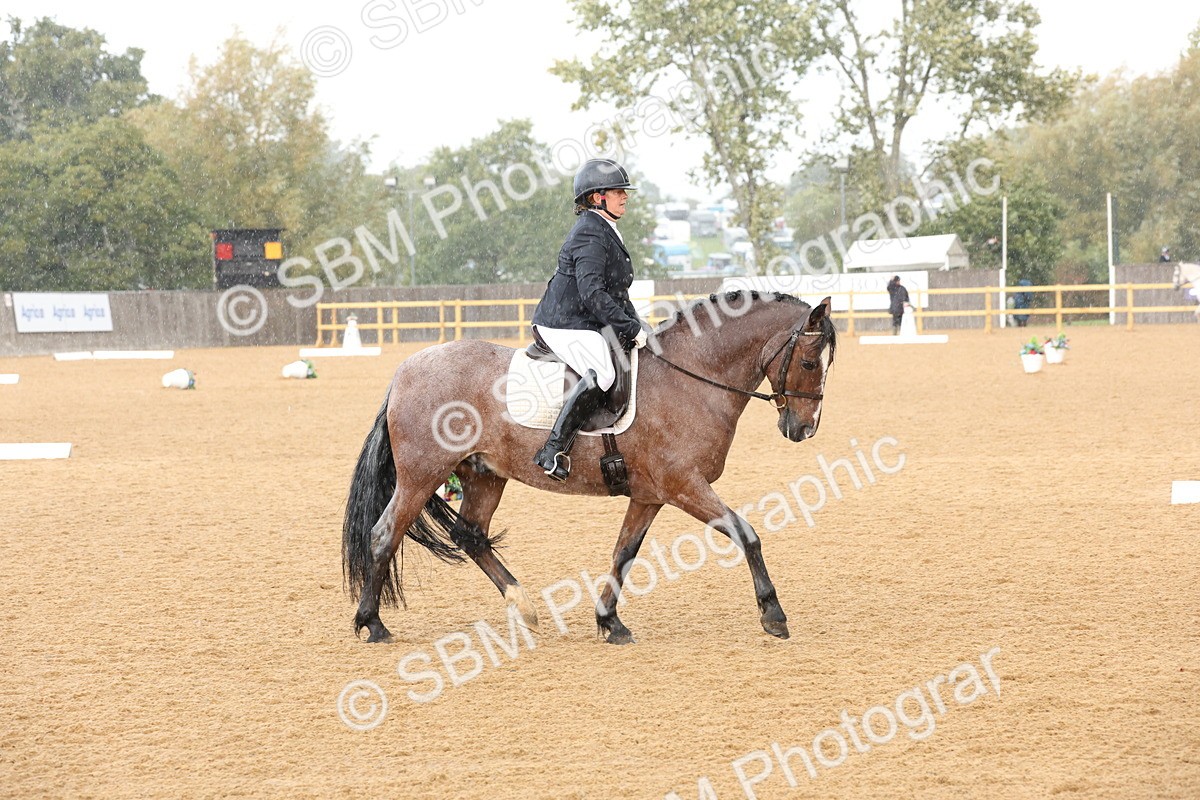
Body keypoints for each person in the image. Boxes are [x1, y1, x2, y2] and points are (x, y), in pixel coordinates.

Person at [530, 158, 648, 482]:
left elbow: (617, 293)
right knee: (605, 373)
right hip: (563, 322)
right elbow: (593, 293)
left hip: (585, 319)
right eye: (618, 191)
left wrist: (638, 325)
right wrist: (629, 328)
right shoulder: (590, 233)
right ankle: (553, 449)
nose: (625, 197)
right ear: (598, 197)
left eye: (625, 192)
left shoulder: (606, 228)